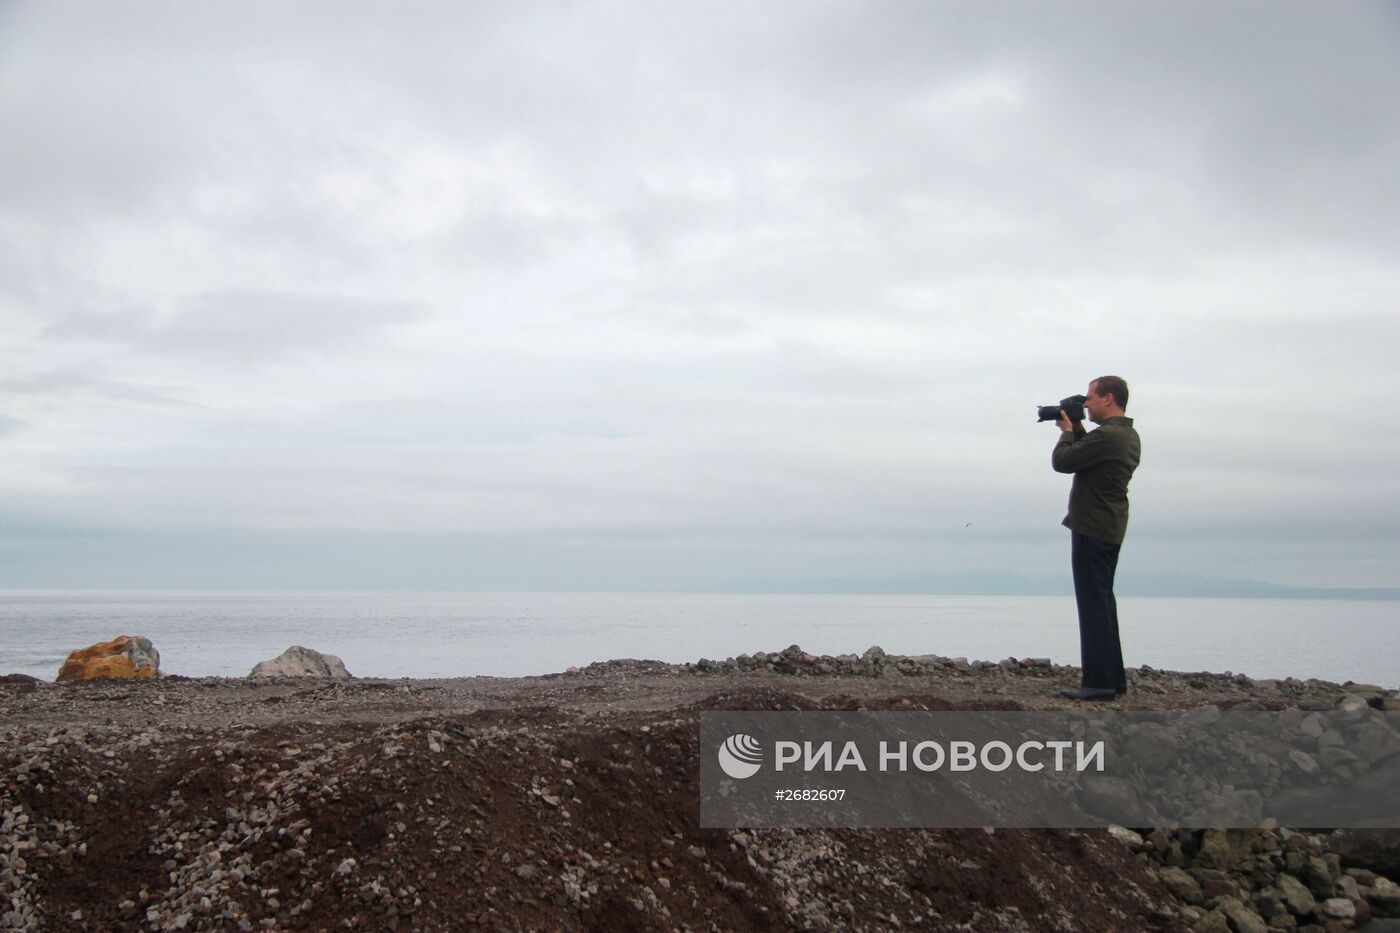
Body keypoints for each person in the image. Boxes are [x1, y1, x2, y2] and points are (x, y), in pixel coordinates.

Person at [1050, 376, 1140, 701]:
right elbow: (1088, 456)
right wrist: (1077, 429)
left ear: (1109, 398)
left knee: (1093, 605)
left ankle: (1098, 683)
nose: (1086, 404)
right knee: (1102, 603)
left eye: (1090, 398)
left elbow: (1064, 462)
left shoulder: (1111, 436)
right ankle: (1112, 679)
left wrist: (1067, 433)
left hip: (1093, 526)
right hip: (1107, 526)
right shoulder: (1123, 435)